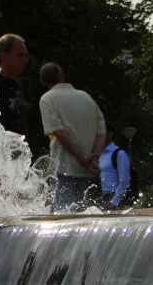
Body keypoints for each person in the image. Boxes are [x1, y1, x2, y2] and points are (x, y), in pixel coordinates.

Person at [39, 62, 106, 212]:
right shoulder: (86, 98)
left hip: (65, 170)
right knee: (87, 222)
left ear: (42, 82)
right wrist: (93, 159)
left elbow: (60, 133)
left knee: (63, 220)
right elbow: (102, 132)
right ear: (62, 76)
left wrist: (83, 159)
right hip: (89, 171)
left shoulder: (47, 99)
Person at [0, 34, 30, 138]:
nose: (25, 61)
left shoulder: (18, 85)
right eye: (19, 55)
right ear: (4, 56)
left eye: (26, 56)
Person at [99, 123, 131, 210]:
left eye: (101, 132)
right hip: (100, 198)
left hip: (113, 198)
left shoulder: (119, 154)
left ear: (110, 134)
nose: (97, 135)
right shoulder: (98, 154)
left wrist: (114, 202)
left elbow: (124, 181)